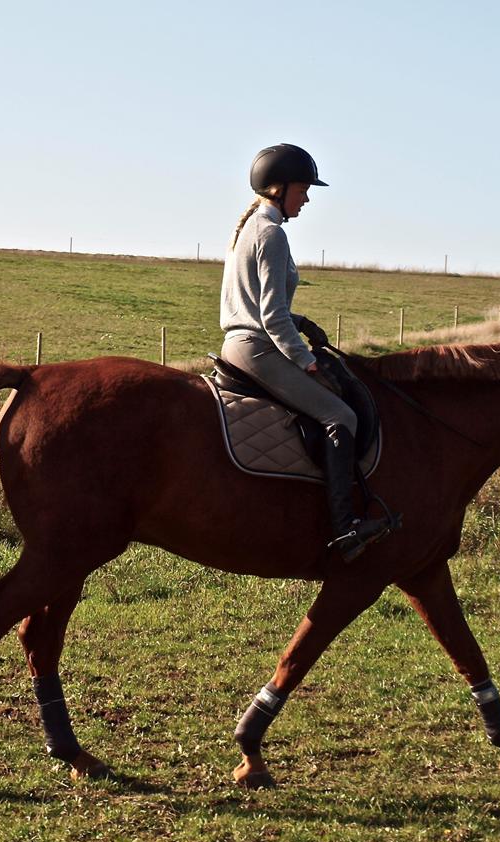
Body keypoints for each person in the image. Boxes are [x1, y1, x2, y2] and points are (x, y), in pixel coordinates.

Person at [219, 143, 396, 563]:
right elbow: (270, 317)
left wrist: (301, 323)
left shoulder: (250, 229)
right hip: (257, 347)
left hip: (244, 341)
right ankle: (345, 526)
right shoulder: (271, 233)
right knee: (341, 415)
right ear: (278, 188)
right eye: (303, 189)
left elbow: (264, 307)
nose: (307, 197)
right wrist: (307, 361)